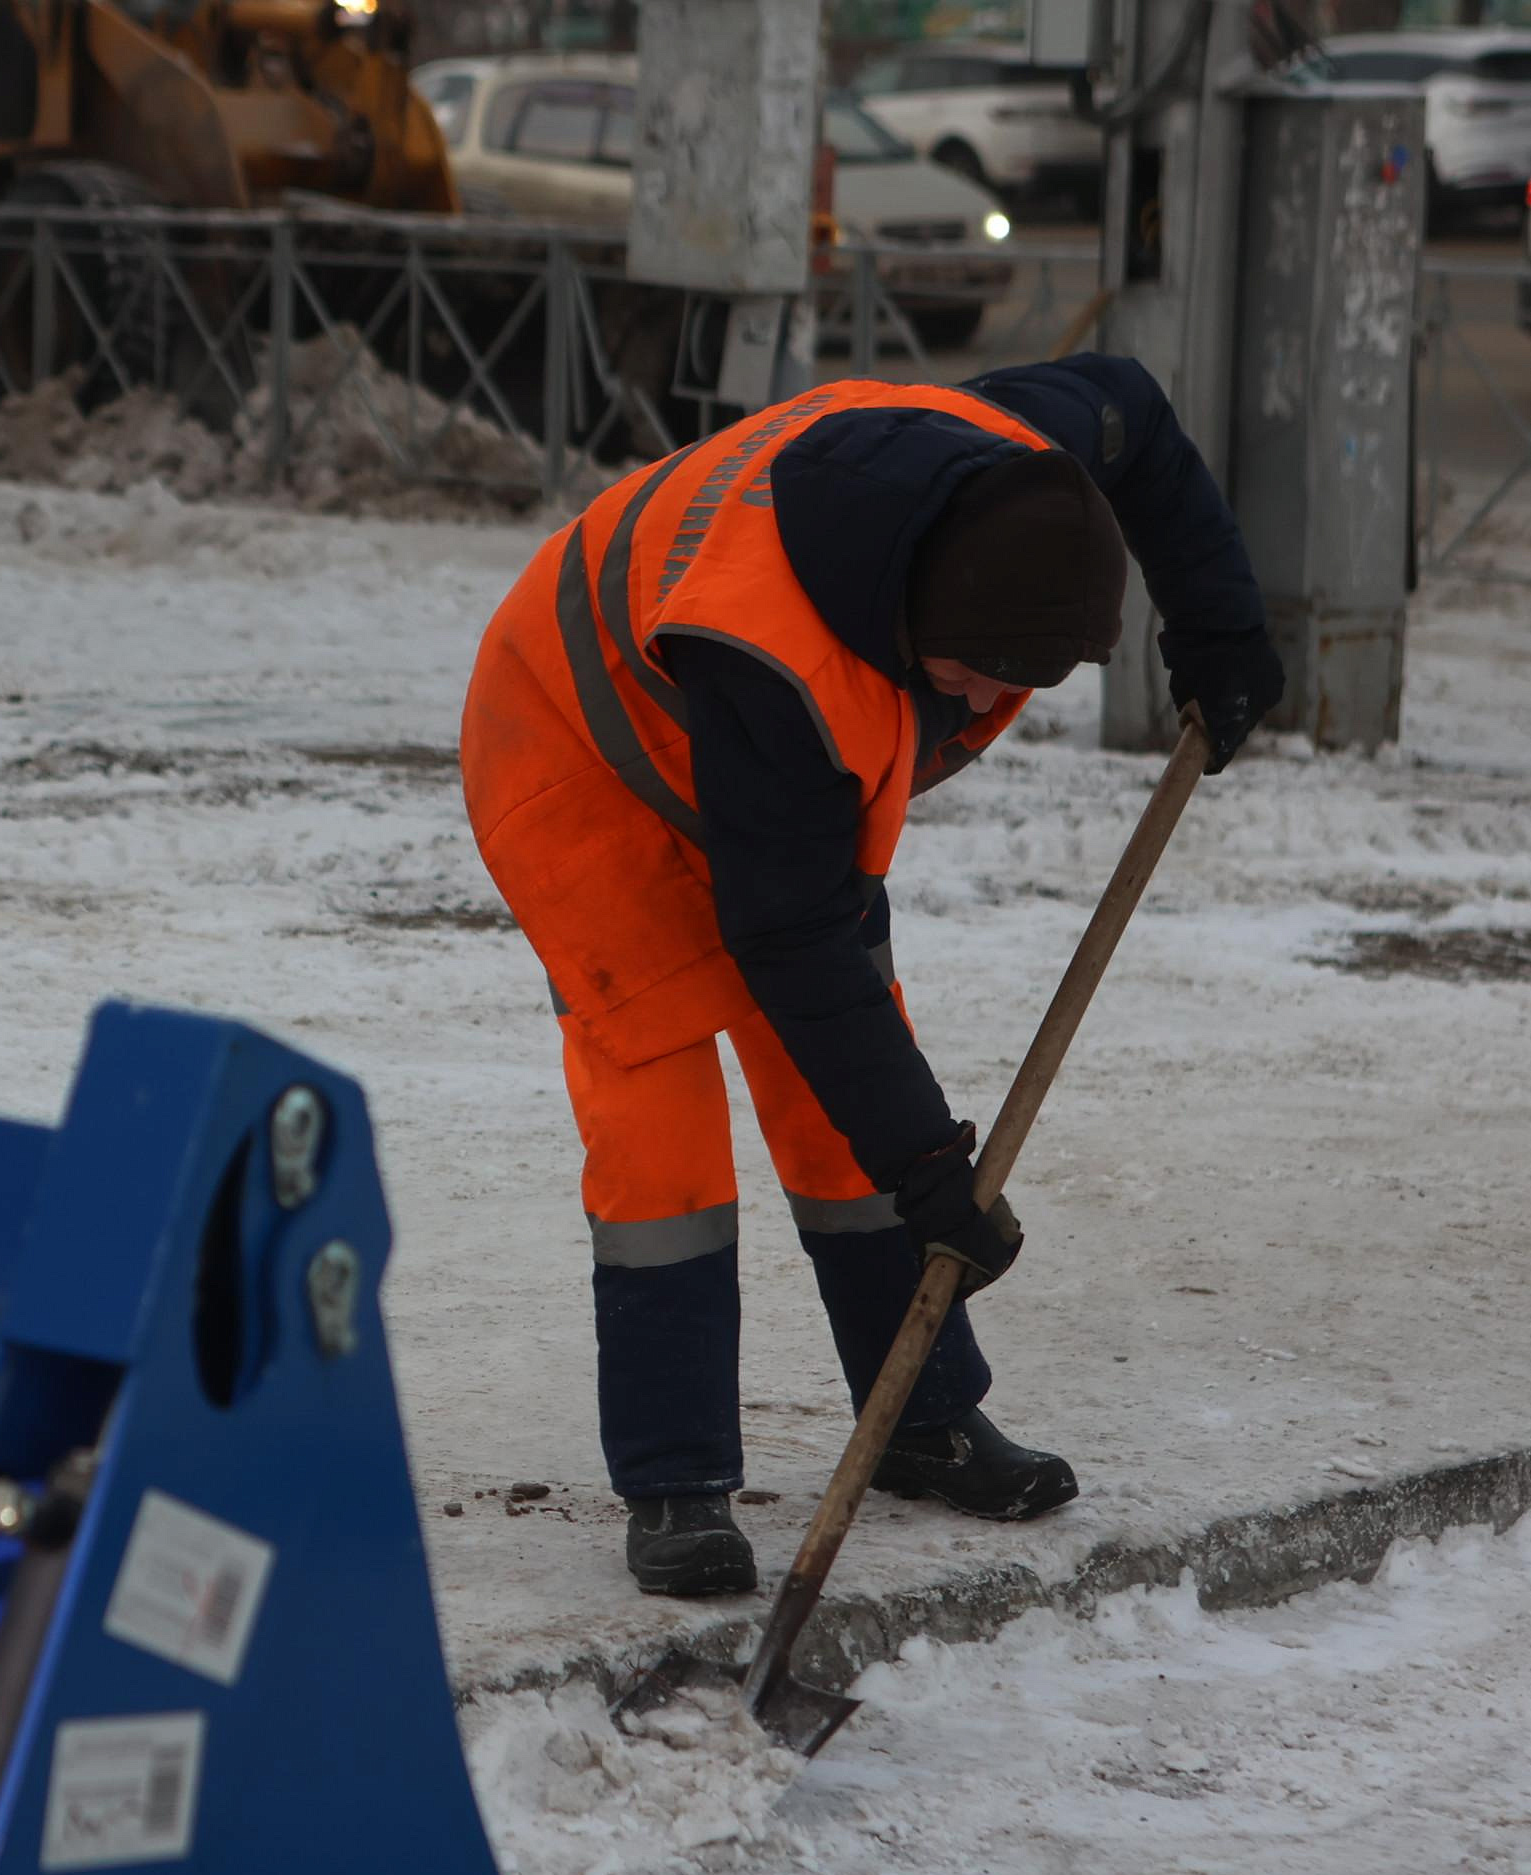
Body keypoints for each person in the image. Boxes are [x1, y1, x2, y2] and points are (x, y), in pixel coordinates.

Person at [460, 356, 1283, 1598]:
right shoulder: (777, 657)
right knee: (661, 1113)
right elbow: (793, 945)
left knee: (844, 1093)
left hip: (741, 761)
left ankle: (920, 1415)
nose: (992, 706)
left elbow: (1144, 419)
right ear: (917, 626)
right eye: (980, 678)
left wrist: (1220, 627)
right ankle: (678, 1479)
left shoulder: (1015, 465)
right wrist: (930, 1170)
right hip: (576, 743)